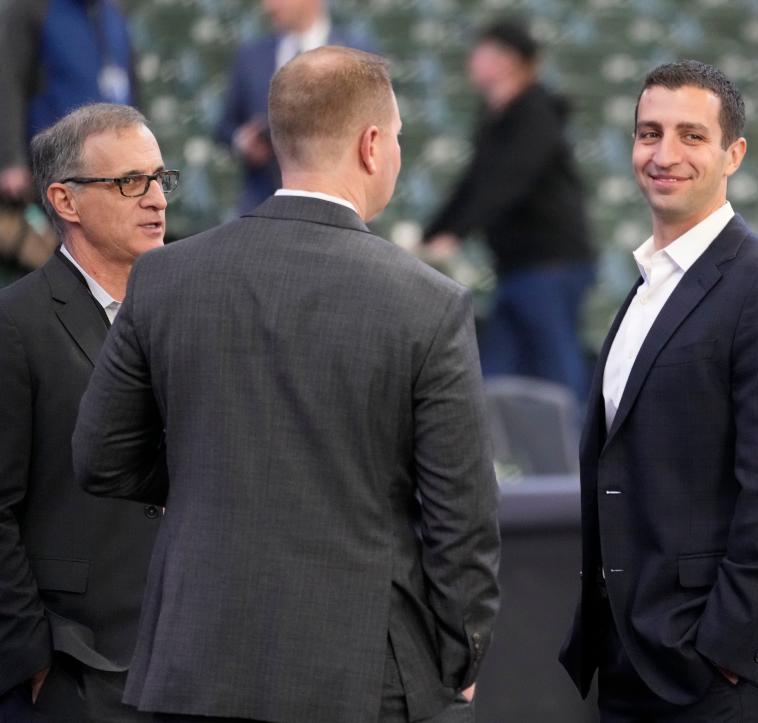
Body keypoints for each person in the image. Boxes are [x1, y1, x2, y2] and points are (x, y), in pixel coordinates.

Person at [73, 47, 501, 723]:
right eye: (396, 140)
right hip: (359, 675)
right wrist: (460, 659)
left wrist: (211, 478)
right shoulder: (428, 302)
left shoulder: (163, 278)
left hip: (191, 662)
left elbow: (100, 455)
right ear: (370, 144)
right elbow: (462, 518)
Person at [558, 60, 758, 722]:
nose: (663, 154)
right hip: (629, 660)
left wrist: (728, 651)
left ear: (732, 153)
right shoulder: (644, 289)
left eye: (690, 135)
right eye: (647, 133)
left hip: (713, 676)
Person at [0, 103, 174, 721]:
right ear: (65, 202)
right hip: (75, 662)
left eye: (160, 179)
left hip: (185, 656)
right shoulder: (15, 323)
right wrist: (32, 658)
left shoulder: (188, 310)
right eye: (130, 182)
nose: (155, 199)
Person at [422, 20, 595, 403]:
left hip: (551, 265)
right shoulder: (493, 116)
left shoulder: (534, 111)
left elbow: (509, 181)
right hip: (516, 270)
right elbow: (472, 183)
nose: (472, 59)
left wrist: (456, 233)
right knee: (494, 375)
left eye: (481, 51)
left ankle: (582, 460)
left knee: (558, 373)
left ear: (507, 61)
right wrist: (432, 234)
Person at [218, 0, 371, 214]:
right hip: (262, 204)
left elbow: (374, 122)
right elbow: (225, 127)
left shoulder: (357, 53)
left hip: (336, 205)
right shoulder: (250, 56)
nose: (268, 7)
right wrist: (242, 141)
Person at [0, 0, 136, 204]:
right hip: (55, 165)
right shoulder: (31, 8)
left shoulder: (114, 11)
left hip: (116, 161)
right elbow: (8, 83)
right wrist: (10, 160)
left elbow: (133, 87)